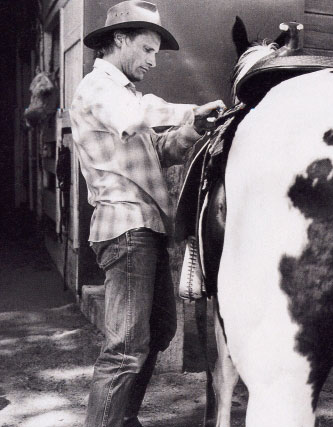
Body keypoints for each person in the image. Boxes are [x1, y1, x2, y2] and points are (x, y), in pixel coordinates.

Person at [69, 2, 225, 426]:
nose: (153, 61)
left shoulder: (124, 96)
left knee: (158, 330)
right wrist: (188, 110)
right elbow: (135, 118)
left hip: (146, 226)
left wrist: (193, 130)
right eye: (147, 49)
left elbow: (155, 150)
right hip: (125, 227)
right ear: (119, 40)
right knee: (125, 349)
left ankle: (121, 418)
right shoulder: (97, 88)